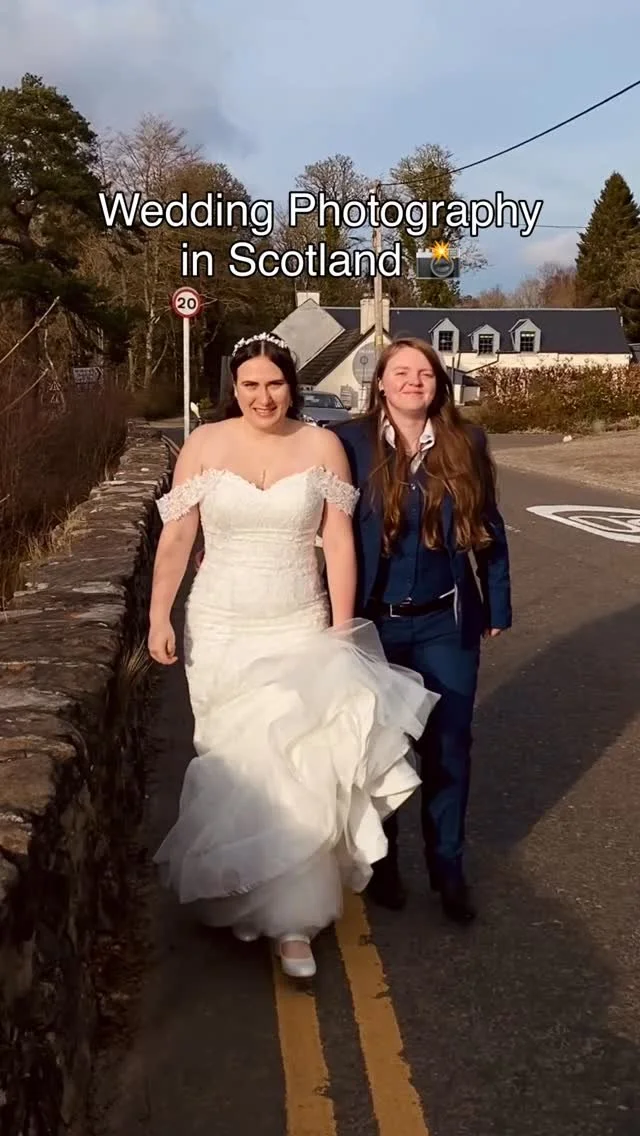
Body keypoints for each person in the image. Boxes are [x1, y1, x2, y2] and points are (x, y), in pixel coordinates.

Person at [146, 332, 440, 979]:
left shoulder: (321, 446)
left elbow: (339, 542)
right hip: (220, 626)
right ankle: (235, 883)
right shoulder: (203, 445)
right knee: (233, 760)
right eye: (250, 385)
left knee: (294, 763)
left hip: (296, 622)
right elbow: (178, 537)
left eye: (274, 384)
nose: (263, 397)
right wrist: (157, 614)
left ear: (292, 385)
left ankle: (292, 921)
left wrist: (341, 627)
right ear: (234, 388)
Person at [331, 336, 512, 924]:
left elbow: (489, 527)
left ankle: (449, 869)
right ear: (381, 382)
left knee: (449, 747)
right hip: (372, 625)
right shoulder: (347, 442)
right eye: (402, 372)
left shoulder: (467, 441)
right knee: (379, 751)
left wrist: (496, 605)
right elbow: (315, 519)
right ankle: (384, 863)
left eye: (425, 373)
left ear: (439, 384)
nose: (414, 381)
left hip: (444, 623)